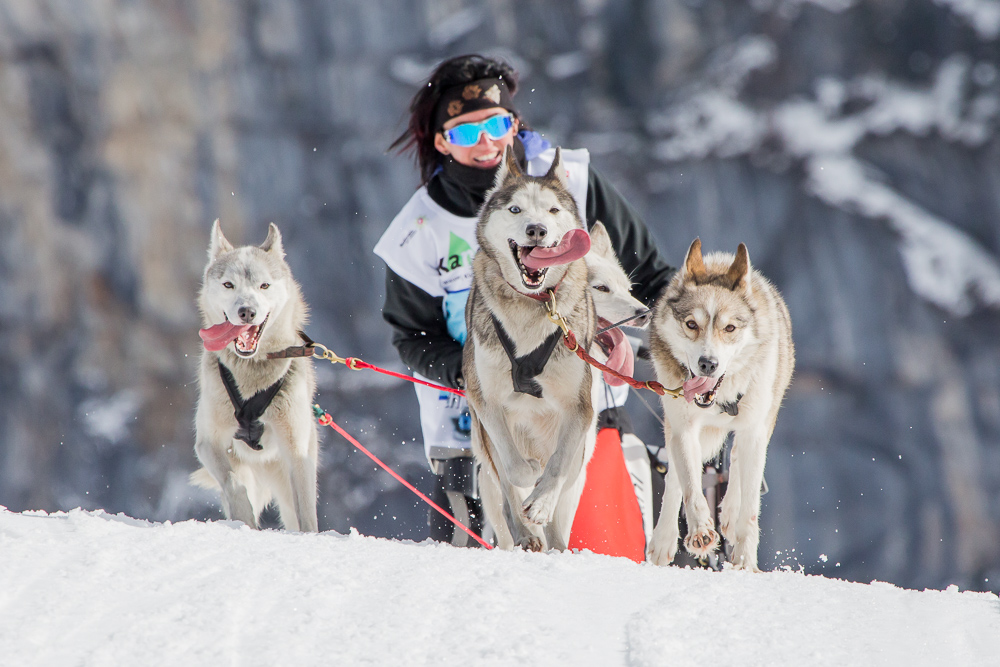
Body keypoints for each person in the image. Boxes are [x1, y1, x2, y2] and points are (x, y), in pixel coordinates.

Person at [374, 54, 675, 553]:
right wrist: (469, 370)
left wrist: (683, 337)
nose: (487, 141)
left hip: (584, 427)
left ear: (514, 123)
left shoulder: (571, 185)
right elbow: (412, 335)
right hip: (475, 435)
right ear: (442, 141)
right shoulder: (415, 233)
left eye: (496, 123)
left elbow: (651, 277)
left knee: (600, 581)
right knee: (487, 601)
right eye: (467, 132)